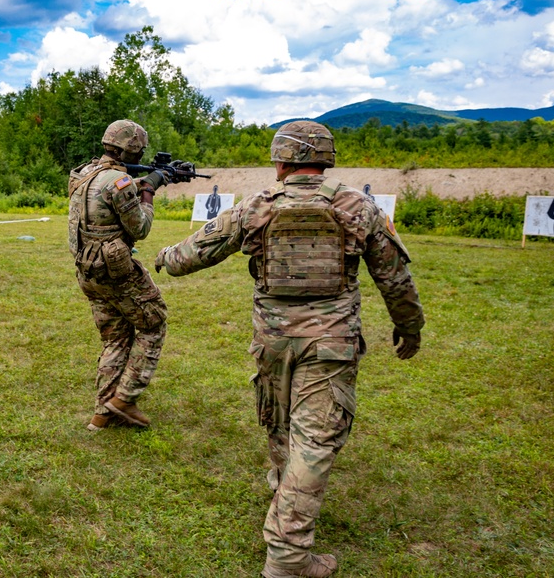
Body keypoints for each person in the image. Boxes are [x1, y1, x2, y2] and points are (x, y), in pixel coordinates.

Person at [155, 121, 425, 578]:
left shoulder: (257, 206)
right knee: (316, 440)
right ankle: (288, 558)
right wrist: (410, 326)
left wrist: (164, 256)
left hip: (273, 342)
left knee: (281, 422)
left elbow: (191, 255)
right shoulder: (358, 206)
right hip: (330, 343)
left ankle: (286, 492)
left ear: (281, 162)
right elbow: (394, 277)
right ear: (326, 160)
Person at [68, 119, 181, 431]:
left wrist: (147, 176)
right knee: (153, 322)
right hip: (116, 271)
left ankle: (102, 415)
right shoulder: (119, 183)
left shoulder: (83, 174)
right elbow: (140, 228)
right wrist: (149, 189)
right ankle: (124, 399)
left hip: (89, 271)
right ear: (133, 148)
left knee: (115, 338)